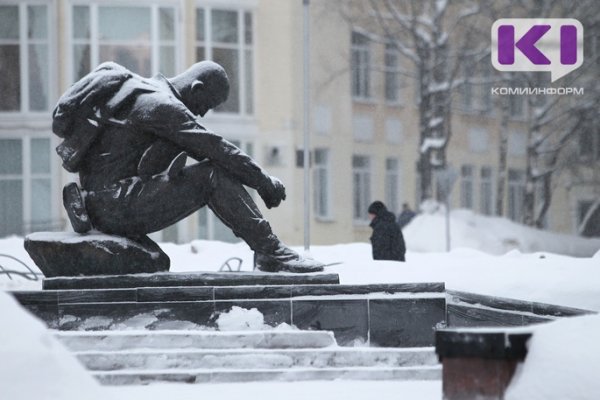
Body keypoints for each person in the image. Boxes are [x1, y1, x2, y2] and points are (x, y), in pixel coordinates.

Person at [52, 61, 324, 273]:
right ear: (197, 88)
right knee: (212, 175)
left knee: (203, 170)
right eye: (206, 106)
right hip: (114, 205)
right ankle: (270, 251)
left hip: (103, 199)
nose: (202, 114)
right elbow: (216, 148)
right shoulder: (161, 105)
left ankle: (267, 250)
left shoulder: (138, 90)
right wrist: (264, 182)